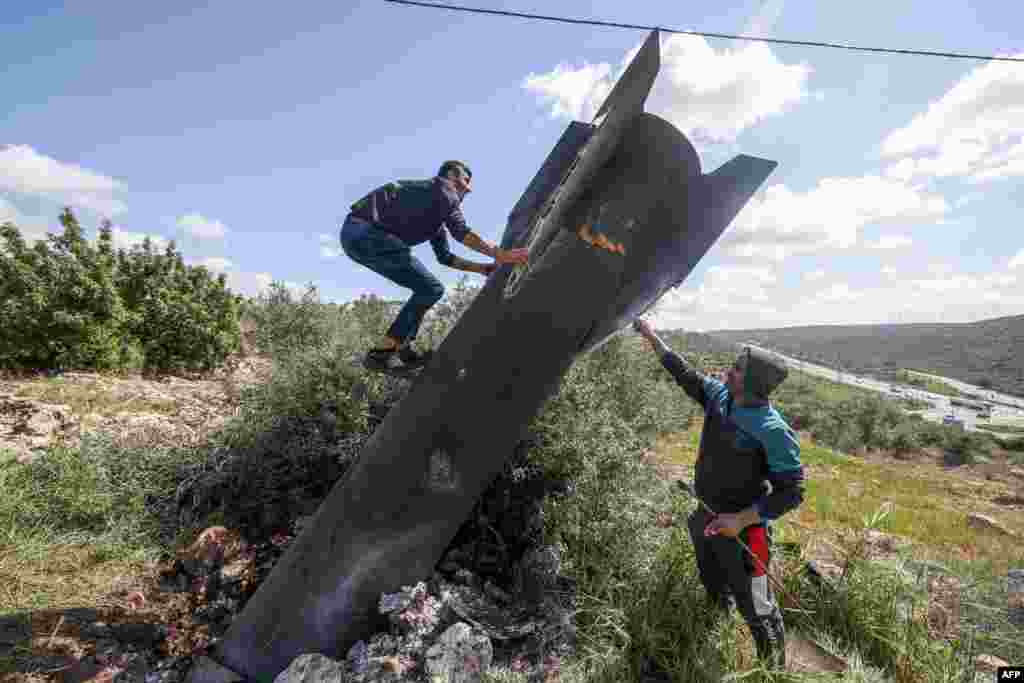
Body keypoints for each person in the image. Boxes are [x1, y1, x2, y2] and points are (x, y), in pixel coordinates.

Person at [633, 318, 805, 669]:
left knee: (758, 607)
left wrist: (741, 519)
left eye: (738, 369)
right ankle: (717, 631)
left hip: (747, 534)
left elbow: (792, 492)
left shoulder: (772, 430)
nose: (729, 371)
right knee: (712, 580)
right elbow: (686, 375)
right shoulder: (721, 396)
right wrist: (653, 337)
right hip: (706, 517)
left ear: (754, 382)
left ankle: (773, 670)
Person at [341, 161, 529, 372]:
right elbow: (461, 232)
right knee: (431, 289)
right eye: (466, 181)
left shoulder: (435, 215)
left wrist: (482, 269)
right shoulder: (442, 188)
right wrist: (500, 254)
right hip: (368, 233)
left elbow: (445, 257)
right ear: (451, 175)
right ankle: (382, 354)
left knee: (427, 290)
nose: (468, 189)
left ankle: (402, 349)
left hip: (355, 239)